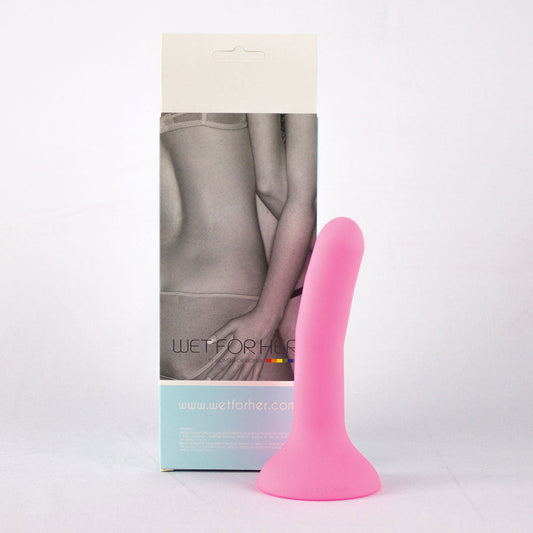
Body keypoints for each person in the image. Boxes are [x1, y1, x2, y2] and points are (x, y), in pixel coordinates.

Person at [160, 113, 316, 380]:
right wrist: (267, 316)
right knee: (307, 402)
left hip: (161, 308)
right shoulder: (255, 86)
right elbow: (272, 187)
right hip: (223, 300)